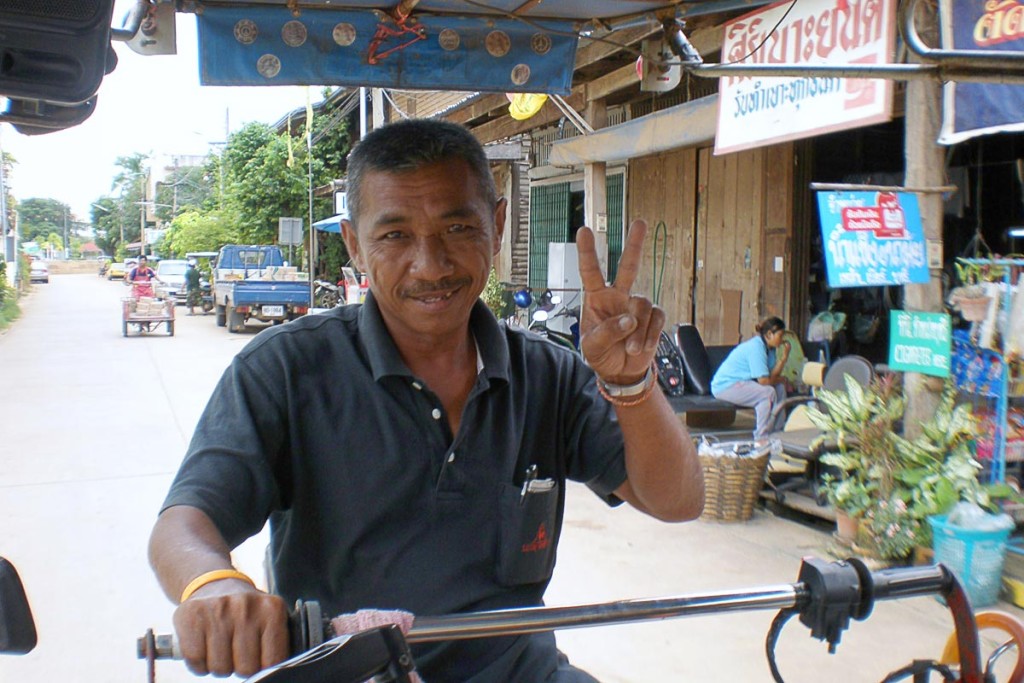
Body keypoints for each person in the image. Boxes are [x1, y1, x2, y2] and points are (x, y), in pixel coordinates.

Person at [148, 119, 704, 682]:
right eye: (394, 236)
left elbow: (677, 501)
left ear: (499, 223)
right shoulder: (284, 371)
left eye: (459, 227)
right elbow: (185, 523)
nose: (431, 265)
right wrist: (212, 586)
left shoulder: (549, 374)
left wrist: (633, 385)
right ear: (354, 245)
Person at [710, 316, 791, 439]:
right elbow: (764, 382)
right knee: (768, 393)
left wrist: (784, 358)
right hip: (726, 386)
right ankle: (762, 436)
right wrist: (780, 379)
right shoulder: (756, 347)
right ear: (769, 334)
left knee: (779, 388)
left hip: (744, 383)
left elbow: (772, 376)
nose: (782, 339)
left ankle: (777, 431)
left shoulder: (771, 349)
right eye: (780, 335)